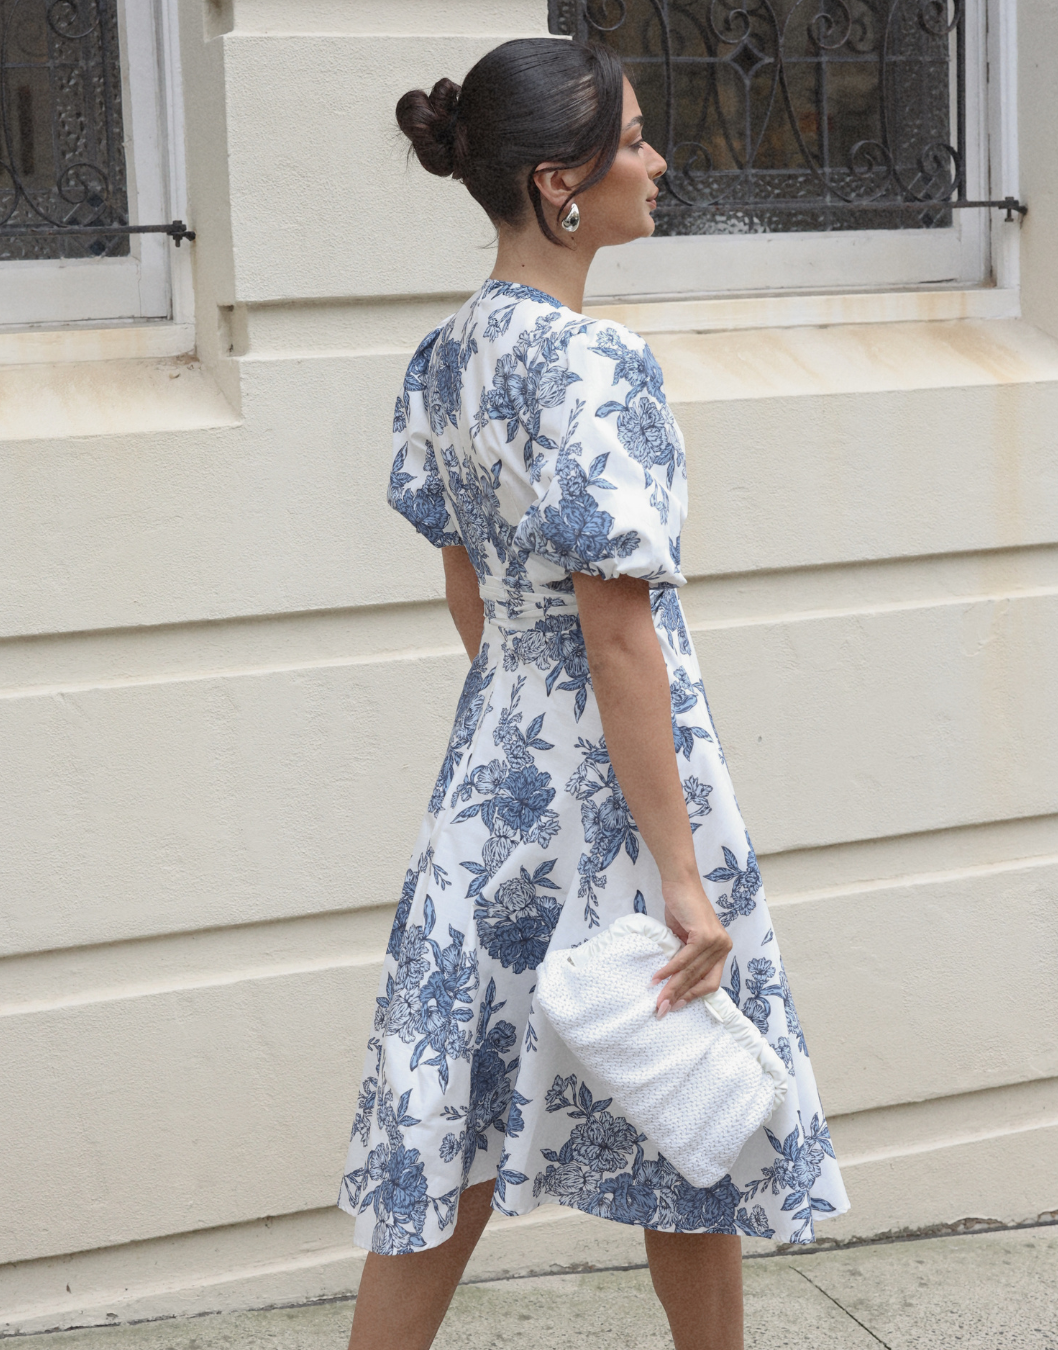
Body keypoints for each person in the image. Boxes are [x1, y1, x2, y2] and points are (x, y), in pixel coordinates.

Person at [338, 37, 849, 1350]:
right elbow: (618, 633)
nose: (657, 160)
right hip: (623, 789)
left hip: (492, 780)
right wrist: (681, 874)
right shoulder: (593, 363)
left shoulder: (446, 359)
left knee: (448, 1129)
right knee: (689, 1102)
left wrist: (522, 722)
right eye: (631, 140)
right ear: (559, 184)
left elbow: (468, 586)